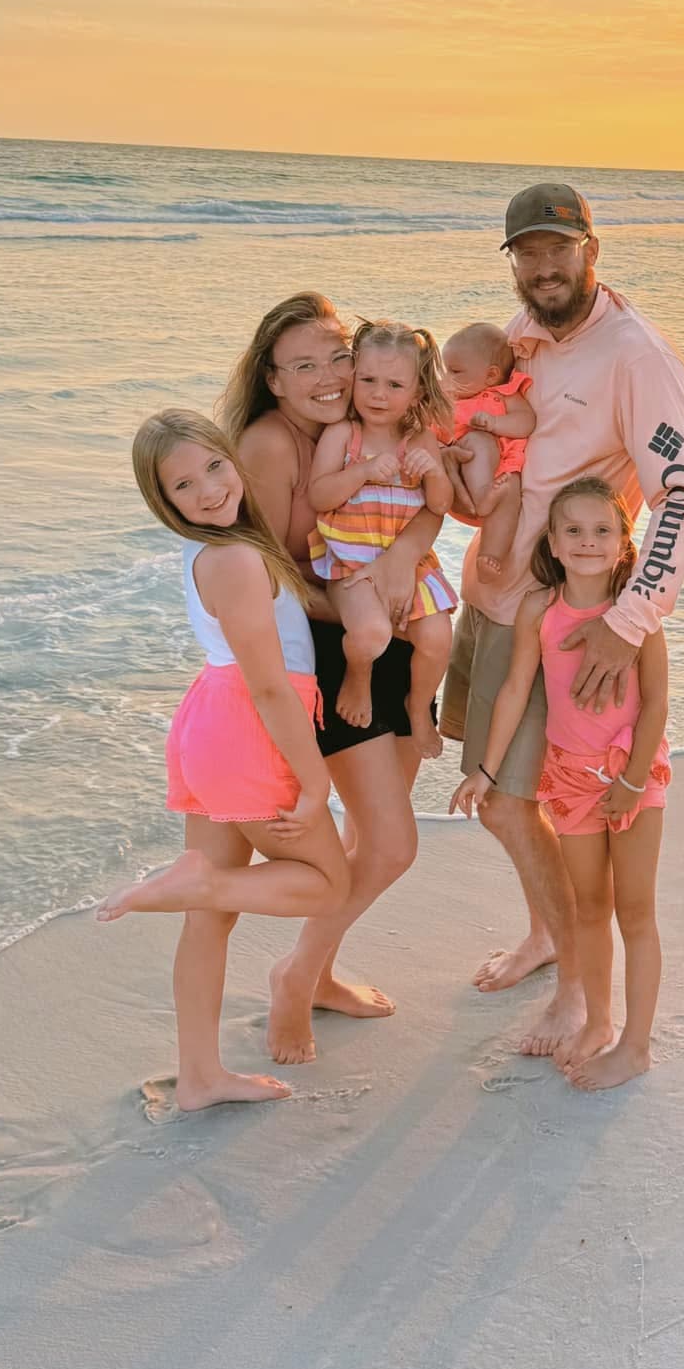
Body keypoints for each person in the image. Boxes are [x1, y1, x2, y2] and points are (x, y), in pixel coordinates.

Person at [440, 181, 684, 1061]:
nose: (545, 265)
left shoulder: (634, 354)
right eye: (529, 250)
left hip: (565, 629)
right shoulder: (518, 341)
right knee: (504, 800)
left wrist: (629, 620)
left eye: (561, 247)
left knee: (523, 802)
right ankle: (549, 933)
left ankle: (569, 982)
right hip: (490, 604)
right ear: (513, 258)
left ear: (593, 250)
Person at [98, 411, 350, 1110]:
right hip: (249, 729)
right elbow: (270, 685)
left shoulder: (213, 548)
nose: (208, 490)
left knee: (209, 918)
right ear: (164, 501)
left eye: (213, 466)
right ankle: (197, 883)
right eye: (184, 484)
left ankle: (200, 1076)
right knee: (326, 885)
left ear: (230, 458)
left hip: (211, 719)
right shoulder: (237, 558)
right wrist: (315, 777)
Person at [221, 292, 440, 1065]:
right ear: (273, 379)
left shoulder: (373, 428)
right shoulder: (272, 445)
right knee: (391, 843)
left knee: (372, 833)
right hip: (331, 649)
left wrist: (404, 558)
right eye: (303, 365)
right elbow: (269, 573)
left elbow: (425, 508)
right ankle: (294, 975)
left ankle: (316, 971)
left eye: (336, 357)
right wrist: (359, 606)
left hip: (395, 633)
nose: (328, 376)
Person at [451, 477, 670, 1090]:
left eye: (602, 530)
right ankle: (598, 1022)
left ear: (625, 542)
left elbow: (654, 706)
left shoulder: (636, 615)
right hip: (569, 781)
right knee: (591, 908)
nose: (587, 542)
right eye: (572, 530)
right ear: (551, 539)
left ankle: (636, 1044)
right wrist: (487, 770)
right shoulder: (539, 610)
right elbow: (518, 689)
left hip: (632, 777)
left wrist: (630, 781)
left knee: (635, 911)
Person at [309, 321, 456, 758]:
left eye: (394, 385)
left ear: (416, 392)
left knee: (438, 638)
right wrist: (362, 472)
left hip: (411, 566)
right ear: (352, 378)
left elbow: (440, 504)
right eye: (368, 381)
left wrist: (432, 470)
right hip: (350, 565)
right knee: (370, 634)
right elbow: (320, 495)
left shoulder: (421, 440)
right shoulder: (344, 437)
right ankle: (359, 675)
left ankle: (416, 705)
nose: (378, 394)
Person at [438, 321, 535, 578]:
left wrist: (494, 423)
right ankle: (483, 497)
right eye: (445, 370)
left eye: (455, 372)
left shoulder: (505, 393)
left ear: (491, 375)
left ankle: (489, 557)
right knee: (479, 441)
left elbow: (526, 422)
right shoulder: (446, 402)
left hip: (503, 470)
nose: (447, 378)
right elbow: (427, 434)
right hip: (468, 473)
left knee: (510, 494)